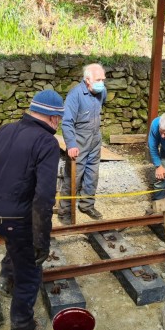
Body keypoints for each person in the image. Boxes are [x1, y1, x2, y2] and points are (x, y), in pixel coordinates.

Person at [0, 89, 64, 330]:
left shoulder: (5, 129)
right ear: (54, 118)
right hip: (10, 215)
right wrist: (42, 242)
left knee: (13, 238)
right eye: (58, 120)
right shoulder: (47, 143)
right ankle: (22, 328)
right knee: (30, 269)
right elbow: (44, 198)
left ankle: (5, 277)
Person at [58, 63, 107, 225]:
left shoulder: (101, 92)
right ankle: (64, 210)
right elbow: (66, 122)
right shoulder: (75, 95)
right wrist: (71, 144)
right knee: (73, 175)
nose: (102, 82)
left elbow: (101, 107)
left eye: (103, 79)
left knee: (92, 174)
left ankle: (86, 205)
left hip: (95, 138)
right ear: (87, 80)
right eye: (98, 79)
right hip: (79, 140)